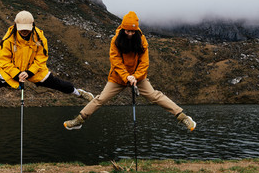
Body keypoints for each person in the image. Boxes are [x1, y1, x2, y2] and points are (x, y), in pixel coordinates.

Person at [63, 11, 196, 131]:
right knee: (101, 99)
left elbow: (144, 63)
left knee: (154, 96)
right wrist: (127, 76)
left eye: (133, 31)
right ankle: (79, 120)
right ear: (123, 28)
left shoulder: (142, 40)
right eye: (127, 31)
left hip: (139, 77)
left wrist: (135, 76)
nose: (130, 34)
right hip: (118, 77)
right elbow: (115, 61)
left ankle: (183, 117)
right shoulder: (115, 40)